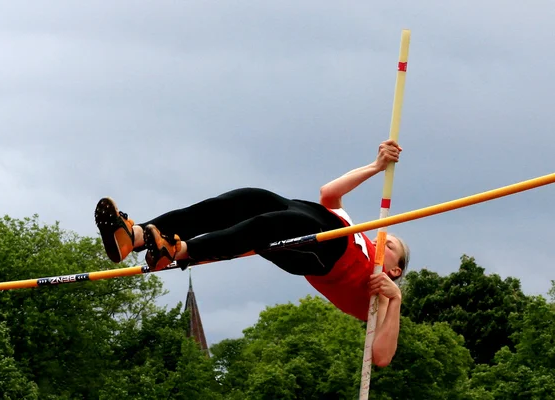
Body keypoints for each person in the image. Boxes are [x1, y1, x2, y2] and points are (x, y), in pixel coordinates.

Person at [94, 139, 409, 367]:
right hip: (314, 217)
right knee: (241, 201)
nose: (385, 241)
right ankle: (135, 238)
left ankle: (179, 250)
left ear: (395, 269)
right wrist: (376, 166)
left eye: (392, 246)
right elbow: (329, 193)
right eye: (386, 237)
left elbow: (381, 357)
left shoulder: (380, 293)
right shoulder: (355, 231)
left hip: (325, 254)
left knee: (266, 225)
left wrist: (394, 299)